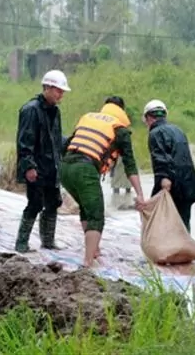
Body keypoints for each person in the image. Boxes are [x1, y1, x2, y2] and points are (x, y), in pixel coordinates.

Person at [60, 96, 145, 266]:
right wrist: (140, 194)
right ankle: (88, 261)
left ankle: (95, 250)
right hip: (85, 170)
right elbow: (130, 164)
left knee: (86, 208)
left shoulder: (89, 119)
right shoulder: (120, 130)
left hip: (64, 169)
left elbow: (67, 144)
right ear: (122, 111)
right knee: (97, 216)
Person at [14, 70, 69, 252]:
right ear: (47, 88)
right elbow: (25, 142)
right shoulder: (31, 110)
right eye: (57, 90)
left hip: (51, 166)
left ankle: (48, 241)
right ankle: (21, 243)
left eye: (62, 91)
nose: (60, 94)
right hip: (36, 166)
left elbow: (55, 138)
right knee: (35, 203)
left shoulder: (55, 111)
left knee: (53, 202)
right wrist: (28, 166)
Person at [142, 99, 195, 232]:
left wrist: (163, 178)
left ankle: (168, 249)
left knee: (161, 220)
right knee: (183, 222)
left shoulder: (155, 133)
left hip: (171, 184)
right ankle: (185, 249)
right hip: (188, 184)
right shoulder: (178, 130)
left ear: (148, 117)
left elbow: (160, 158)